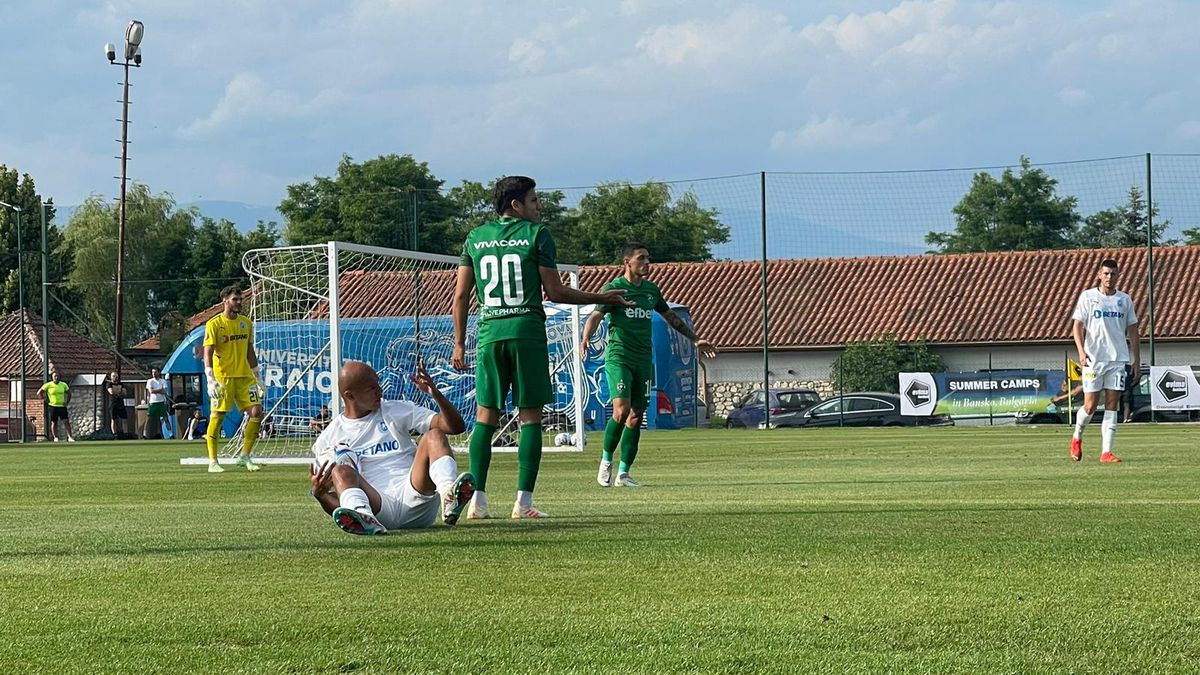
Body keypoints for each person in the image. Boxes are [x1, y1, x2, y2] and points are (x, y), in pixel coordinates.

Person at [452, 175, 631, 520]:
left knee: (485, 416)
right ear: (516, 205)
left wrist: (459, 342)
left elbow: (460, 297)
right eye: (534, 200)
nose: (539, 206)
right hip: (526, 331)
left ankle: (478, 502)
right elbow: (557, 293)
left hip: (489, 334)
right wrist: (602, 297)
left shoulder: (475, 237)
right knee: (530, 416)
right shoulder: (537, 235)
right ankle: (523, 502)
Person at [581, 243, 718, 487]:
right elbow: (595, 316)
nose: (647, 262)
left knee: (636, 416)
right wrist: (585, 339)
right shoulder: (614, 289)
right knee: (621, 410)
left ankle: (624, 474)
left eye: (649, 258)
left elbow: (671, 317)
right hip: (619, 356)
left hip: (643, 359)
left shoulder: (651, 291)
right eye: (641, 258)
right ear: (627, 262)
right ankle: (605, 461)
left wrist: (696, 339)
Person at [308, 360, 475, 535]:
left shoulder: (395, 410)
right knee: (340, 472)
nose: (379, 391)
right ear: (350, 396)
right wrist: (321, 496)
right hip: (378, 507)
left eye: (378, 384)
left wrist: (436, 394)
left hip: (416, 496)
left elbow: (455, 427)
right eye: (371, 388)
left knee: (435, 434)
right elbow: (340, 507)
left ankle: (449, 495)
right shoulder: (329, 438)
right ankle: (363, 517)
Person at [1070, 258, 1140, 463]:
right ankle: (1077, 437)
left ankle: (1106, 452)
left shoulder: (1124, 300)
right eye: (1106, 273)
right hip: (1094, 359)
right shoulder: (1088, 297)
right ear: (1099, 275)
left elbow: (1133, 331)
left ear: (1118, 276)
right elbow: (1077, 326)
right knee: (1090, 406)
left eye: (1114, 274)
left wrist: (1136, 359)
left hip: (1117, 359)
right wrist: (1081, 352)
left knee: (1112, 403)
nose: (1110, 277)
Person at [203, 285, 267, 473]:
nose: (239, 302)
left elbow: (249, 350)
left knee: (256, 412)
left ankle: (245, 456)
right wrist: (210, 378)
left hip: (244, 377)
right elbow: (208, 352)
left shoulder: (246, 323)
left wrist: (258, 377)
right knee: (218, 417)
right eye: (235, 300)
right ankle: (213, 461)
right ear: (225, 301)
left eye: (240, 299)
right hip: (223, 378)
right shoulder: (214, 324)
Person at [38, 371, 76, 442]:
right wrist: (44, 400)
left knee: (66, 421)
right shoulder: (48, 385)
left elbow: (69, 393)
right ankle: (55, 437)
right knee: (54, 422)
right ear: (52, 377)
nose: (56, 377)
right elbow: (39, 392)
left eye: (57, 376)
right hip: (53, 406)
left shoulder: (63, 385)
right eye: (55, 376)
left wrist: (66, 402)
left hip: (62, 406)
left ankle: (70, 437)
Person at [143, 367, 171, 439]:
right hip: (153, 402)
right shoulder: (150, 381)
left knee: (165, 418)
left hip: (161, 402)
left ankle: (171, 434)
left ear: (158, 372)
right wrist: (160, 390)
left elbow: (164, 391)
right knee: (149, 418)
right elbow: (151, 391)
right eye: (152, 372)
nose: (154, 374)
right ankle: (145, 434)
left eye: (155, 372)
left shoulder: (163, 381)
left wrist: (156, 390)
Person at [106, 371, 129, 436]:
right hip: (113, 404)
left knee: (124, 419)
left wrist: (119, 391)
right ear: (111, 377)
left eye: (116, 376)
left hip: (121, 403)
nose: (115, 377)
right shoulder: (109, 384)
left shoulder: (121, 384)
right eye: (113, 376)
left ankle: (125, 433)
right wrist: (119, 391)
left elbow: (124, 392)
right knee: (114, 419)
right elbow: (111, 392)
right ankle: (115, 434)